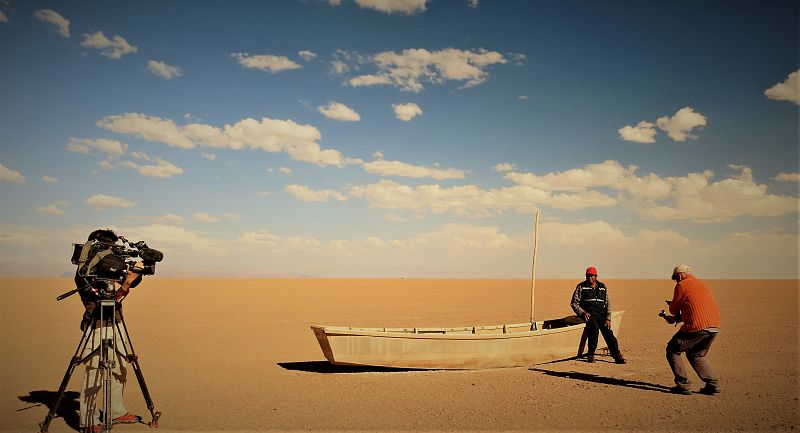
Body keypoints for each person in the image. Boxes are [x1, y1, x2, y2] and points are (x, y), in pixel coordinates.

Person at [74, 229, 141, 432]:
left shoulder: (108, 269)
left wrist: (133, 276)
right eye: (109, 248)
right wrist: (126, 284)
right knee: (94, 372)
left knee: (120, 368)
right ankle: (89, 420)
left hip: (116, 324)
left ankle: (116, 411)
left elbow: (128, 283)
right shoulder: (86, 274)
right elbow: (107, 302)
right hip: (97, 326)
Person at [662, 264, 721, 395]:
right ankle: (712, 384)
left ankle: (683, 385)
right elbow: (696, 309)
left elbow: (673, 309)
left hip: (696, 327)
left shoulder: (682, 285)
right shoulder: (701, 284)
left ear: (680, 275)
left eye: (675, 278)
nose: (675, 281)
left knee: (672, 350)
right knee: (696, 355)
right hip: (713, 326)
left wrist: (673, 304)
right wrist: (676, 318)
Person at [570, 266, 626, 364]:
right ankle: (591, 354)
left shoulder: (602, 287)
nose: (590, 278)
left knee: (609, 334)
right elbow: (574, 303)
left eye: (592, 276)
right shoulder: (581, 286)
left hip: (601, 315)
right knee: (593, 331)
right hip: (589, 315)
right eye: (588, 276)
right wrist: (582, 312)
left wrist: (608, 318)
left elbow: (607, 303)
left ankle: (617, 356)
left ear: (596, 276)